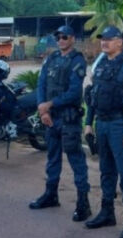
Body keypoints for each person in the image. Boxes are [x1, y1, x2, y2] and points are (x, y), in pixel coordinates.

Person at [83, 26, 123, 238]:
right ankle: (107, 212)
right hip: (102, 123)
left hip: (121, 124)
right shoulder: (101, 64)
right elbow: (92, 95)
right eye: (103, 39)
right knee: (106, 171)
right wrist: (88, 123)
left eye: (109, 39)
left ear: (120, 42)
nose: (105, 42)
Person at [29, 25, 91, 222]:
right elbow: (41, 84)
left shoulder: (77, 60)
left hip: (68, 119)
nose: (61, 40)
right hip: (50, 118)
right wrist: (42, 107)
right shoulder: (52, 58)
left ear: (72, 38)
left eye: (64, 37)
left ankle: (83, 204)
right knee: (52, 159)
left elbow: (74, 92)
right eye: (58, 37)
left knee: (76, 161)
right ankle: (51, 195)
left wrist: (50, 104)